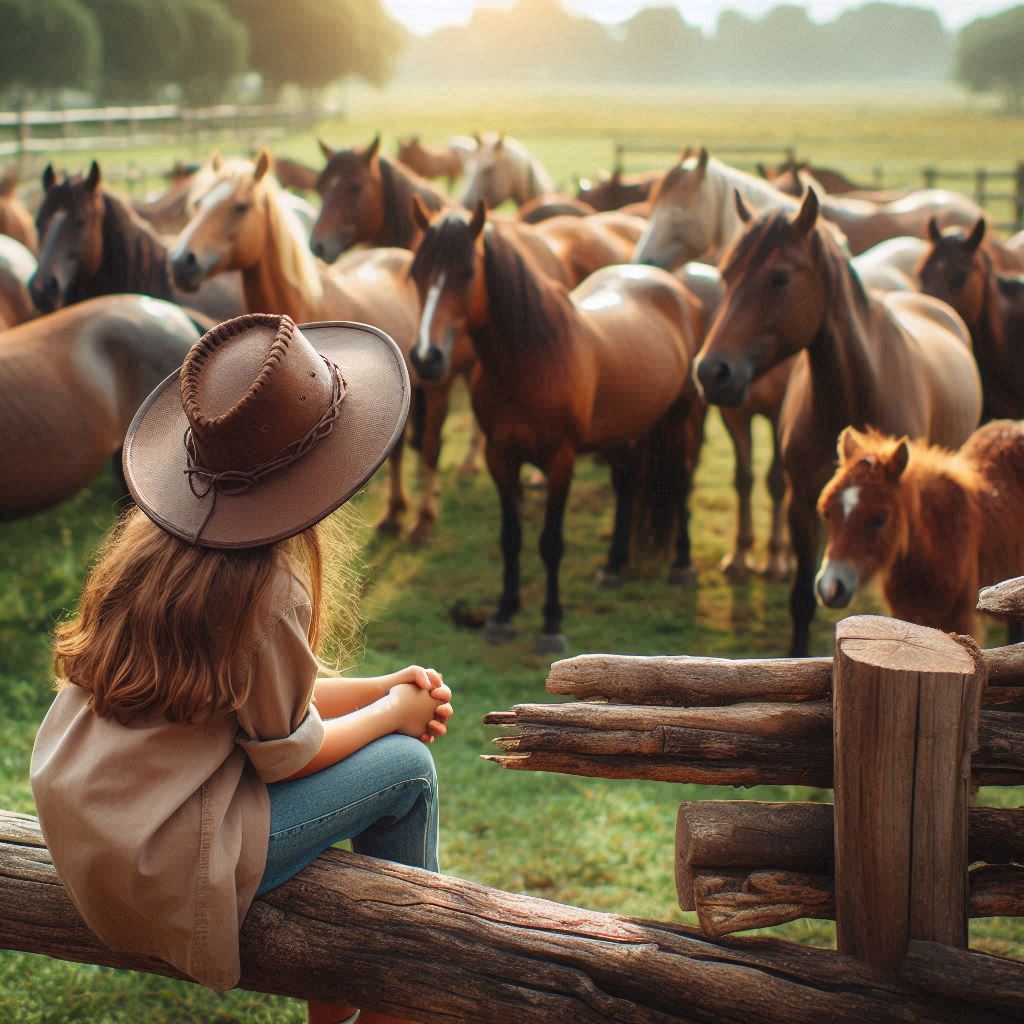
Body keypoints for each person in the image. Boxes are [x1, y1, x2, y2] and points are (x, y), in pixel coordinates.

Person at [30, 313, 452, 1024]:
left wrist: (382, 689)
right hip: (160, 865)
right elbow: (288, 754)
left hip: (91, 833)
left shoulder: (154, 546)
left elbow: (252, 700)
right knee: (406, 769)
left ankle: (342, 1008)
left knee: (373, 770)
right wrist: (393, 719)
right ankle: (401, 1001)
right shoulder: (266, 588)